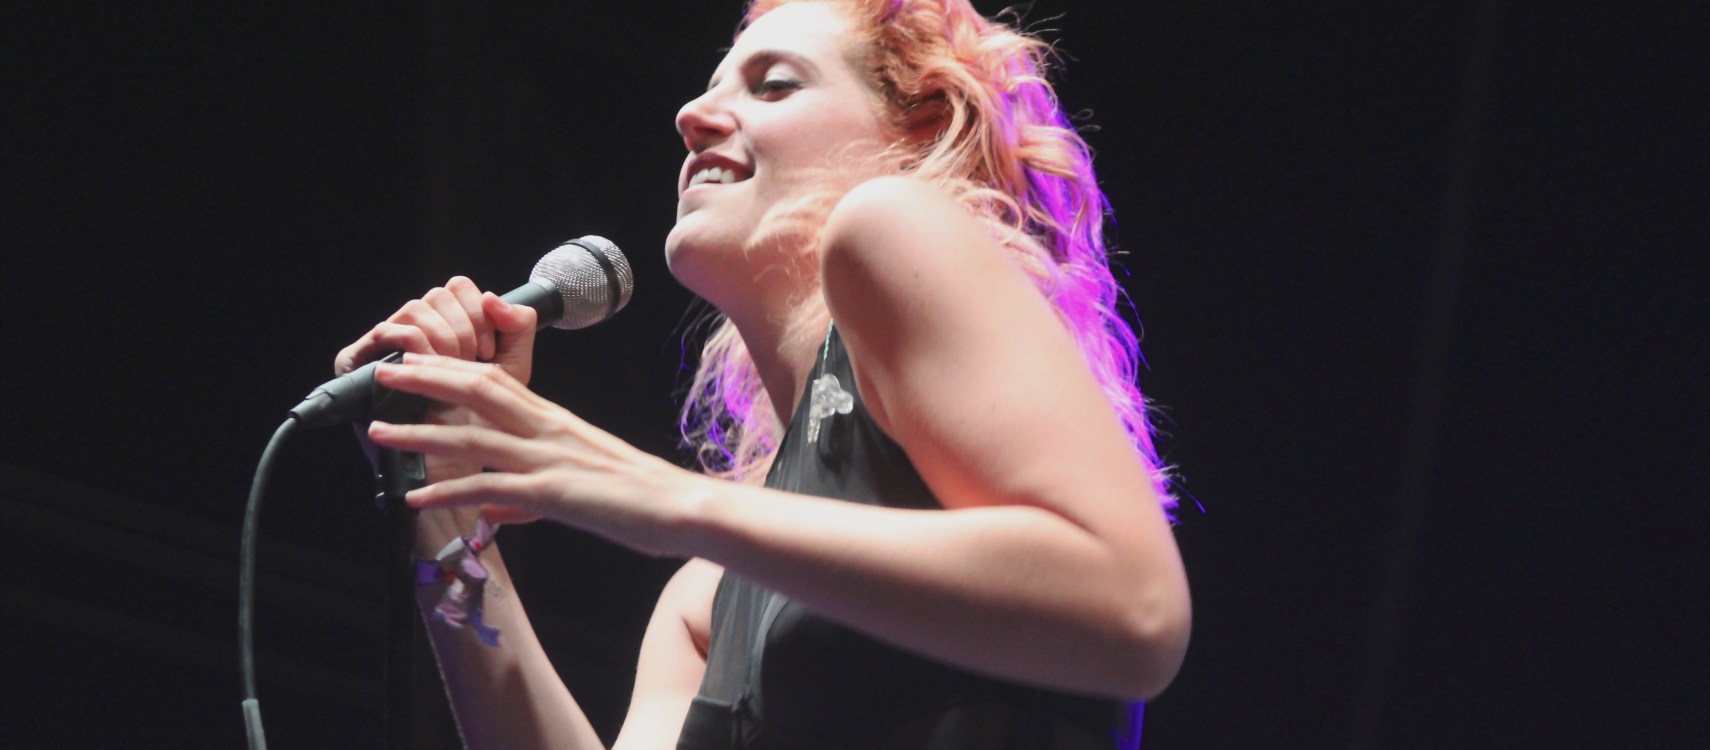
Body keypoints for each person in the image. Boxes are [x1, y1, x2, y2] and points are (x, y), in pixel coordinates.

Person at [335, 0, 1190, 747]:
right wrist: (442, 510)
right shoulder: (706, 597)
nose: (691, 115)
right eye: (712, 87)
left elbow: (1134, 607)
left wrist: (661, 498)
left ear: (921, 130)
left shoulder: (891, 219)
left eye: (774, 85)